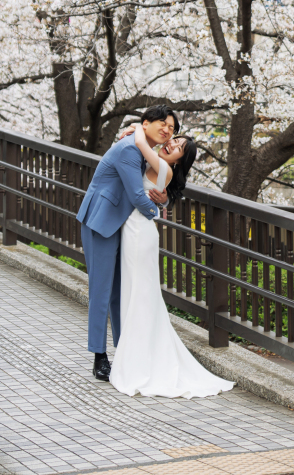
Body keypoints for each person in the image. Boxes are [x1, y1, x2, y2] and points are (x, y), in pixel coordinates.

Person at [109, 125, 234, 398]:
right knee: (137, 296)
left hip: (140, 236)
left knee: (140, 297)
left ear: (179, 161)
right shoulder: (154, 162)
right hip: (134, 231)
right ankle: (136, 358)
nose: (170, 145)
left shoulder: (163, 169)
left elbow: (142, 144)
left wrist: (136, 129)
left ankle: (139, 364)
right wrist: (135, 128)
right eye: (173, 140)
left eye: (177, 147)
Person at [77, 105, 176, 380]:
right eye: (162, 123)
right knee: (102, 290)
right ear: (145, 123)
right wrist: (157, 212)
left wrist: (164, 200)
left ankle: (124, 349)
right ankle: (99, 356)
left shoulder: (145, 150)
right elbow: (136, 195)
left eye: (171, 127)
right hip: (102, 221)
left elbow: (158, 189)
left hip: (125, 226)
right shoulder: (130, 148)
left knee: (121, 290)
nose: (167, 130)